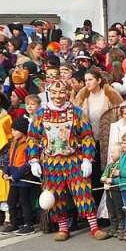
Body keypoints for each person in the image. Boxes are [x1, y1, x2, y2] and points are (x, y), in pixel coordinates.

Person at [26, 79, 109, 242]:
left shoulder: (76, 112)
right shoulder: (40, 114)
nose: (58, 96)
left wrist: (87, 158)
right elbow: (32, 138)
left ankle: (94, 226)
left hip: (74, 160)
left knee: (83, 191)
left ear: (67, 93)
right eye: (55, 93)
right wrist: (34, 160)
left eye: (62, 92)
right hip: (51, 162)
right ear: (49, 94)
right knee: (55, 196)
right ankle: (63, 227)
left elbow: (87, 136)